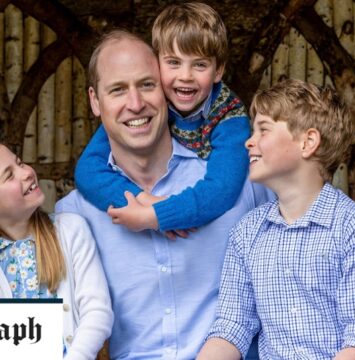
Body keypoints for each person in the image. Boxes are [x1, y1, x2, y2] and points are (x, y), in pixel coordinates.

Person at [56, 30, 270, 359]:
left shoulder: (241, 183)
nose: (136, 104)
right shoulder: (74, 218)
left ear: (166, 91)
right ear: (95, 102)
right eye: (117, 90)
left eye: (146, 84)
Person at [197, 79, 355, 360]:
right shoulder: (247, 232)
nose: (249, 141)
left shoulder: (350, 228)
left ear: (307, 142)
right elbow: (232, 326)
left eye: (264, 130)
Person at [74, 2, 251, 235]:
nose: (185, 76)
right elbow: (87, 171)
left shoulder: (230, 118)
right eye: (174, 63)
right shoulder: (154, 103)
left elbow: (222, 190)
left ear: (218, 71)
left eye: (199, 65)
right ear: (157, 64)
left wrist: (159, 215)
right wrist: (141, 200)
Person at [0, 143, 114, 359]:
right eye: (9, 176)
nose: (26, 173)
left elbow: (97, 312)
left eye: (20, 163)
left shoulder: (70, 230)